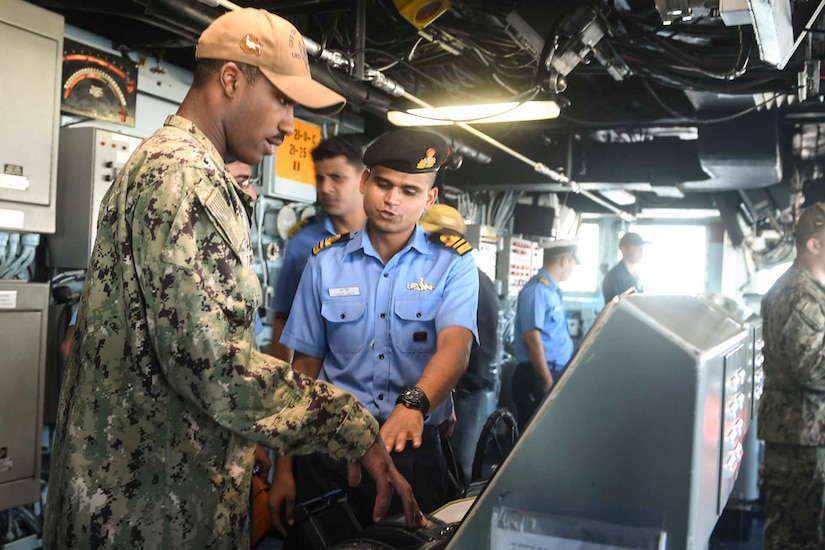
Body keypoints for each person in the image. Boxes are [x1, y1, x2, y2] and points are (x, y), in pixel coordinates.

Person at [43, 9, 424, 549]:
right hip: (152, 515)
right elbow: (215, 365)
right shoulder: (187, 179)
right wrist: (349, 425)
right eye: (283, 100)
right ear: (230, 79)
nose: (291, 124)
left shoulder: (165, 165)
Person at [270, 129, 479, 538]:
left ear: (429, 199)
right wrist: (284, 469)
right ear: (365, 182)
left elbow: (456, 349)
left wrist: (413, 404)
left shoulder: (452, 264)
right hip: (331, 452)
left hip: (413, 452)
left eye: (410, 190)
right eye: (383, 184)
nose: (392, 200)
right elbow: (304, 373)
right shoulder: (324, 263)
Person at [266, 134, 367, 362]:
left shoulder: (386, 235)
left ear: (363, 178)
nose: (326, 188)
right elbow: (283, 317)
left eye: (337, 178)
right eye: (320, 178)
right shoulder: (303, 242)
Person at [758, 201, 825, 549]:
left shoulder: (812, 290)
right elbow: (812, 367)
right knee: (795, 539)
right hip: (799, 443)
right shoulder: (797, 293)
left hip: (808, 438)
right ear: (814, 244)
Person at [418, 204, 500, 484]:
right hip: (434, 391)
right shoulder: (427, 277)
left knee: (459, 466)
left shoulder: (475, 280)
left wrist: (456, 388)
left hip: (462, 390)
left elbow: (483, 345)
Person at [511, 239, 578, 431]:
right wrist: (547, 380)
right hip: (538, 375)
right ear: (564, 260)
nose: (572, 267)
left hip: (552, 372)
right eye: (572, 262)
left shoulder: (553, 292)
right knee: (534, 435)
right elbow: (532, 339)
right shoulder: (537, 291)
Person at [602, 231, 646, 303]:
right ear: (624, 249)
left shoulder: (635, 276)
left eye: (642, 249)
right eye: (638, 249)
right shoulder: (614, 277)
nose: (641, 253)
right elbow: (616, 306)